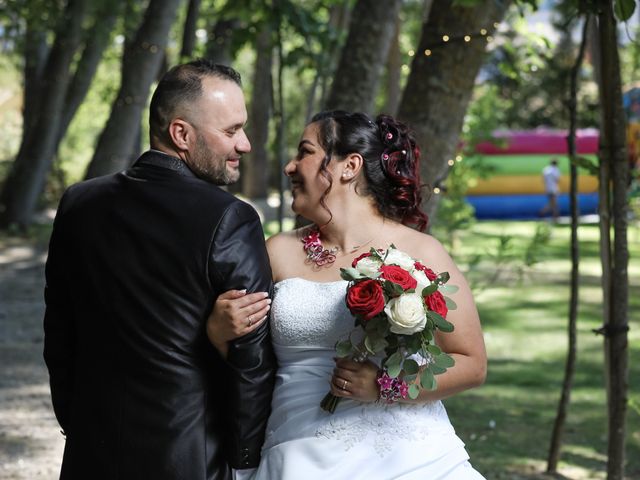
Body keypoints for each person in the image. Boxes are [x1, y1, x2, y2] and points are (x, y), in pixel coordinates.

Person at [209, 111, 488, 479]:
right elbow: (250, 362)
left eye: (305, 152)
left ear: (349, 166)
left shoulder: (422, 252)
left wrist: (385, 386)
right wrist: (217, 332)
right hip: (297, 453)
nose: (290, 167)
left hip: (408, 458)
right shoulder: (276, 252)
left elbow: (471, 362)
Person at [43, 59, 276, 480]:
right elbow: (251, 357)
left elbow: (60, 333)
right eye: (230, 131)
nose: (245, 144)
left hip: (89, 450)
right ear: (181, 134)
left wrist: (75, 420)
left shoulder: (79, 203)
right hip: (190, 454)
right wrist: (245, 457)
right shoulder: (230, 219)